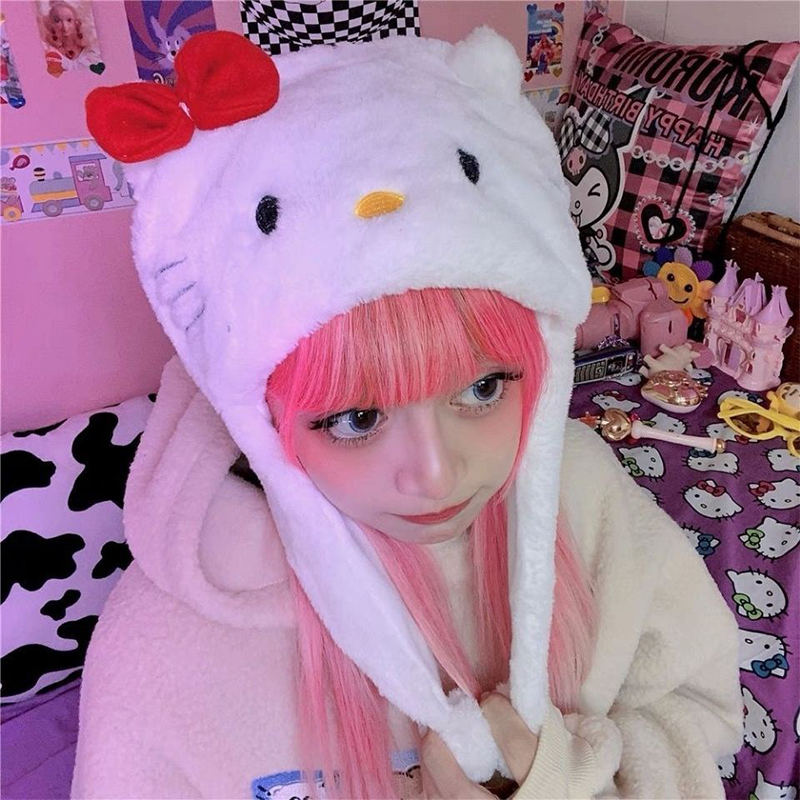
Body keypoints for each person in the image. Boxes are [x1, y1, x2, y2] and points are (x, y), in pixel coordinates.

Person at [74, 29, 742, 800]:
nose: (435, 476)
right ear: (261, 413)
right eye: (357, 419)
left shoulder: (587, 500)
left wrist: (554, 777)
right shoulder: (161, 653)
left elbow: (697, 714)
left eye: (483, 388)